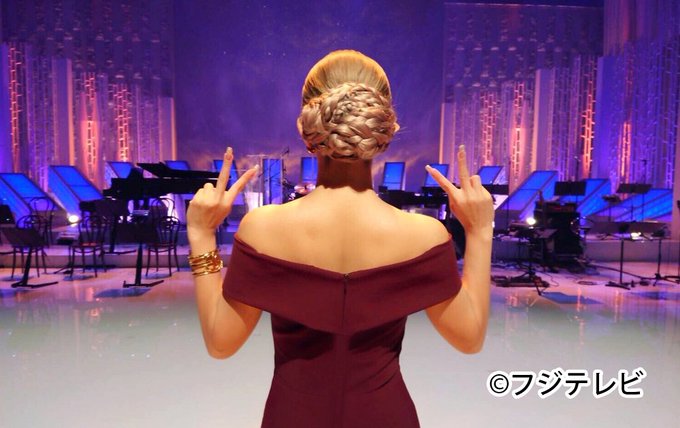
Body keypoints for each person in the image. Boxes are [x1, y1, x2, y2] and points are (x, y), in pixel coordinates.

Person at [186, 49, 493, 428]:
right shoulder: (425, 235)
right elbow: (469, 338)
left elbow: (221, 343)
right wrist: (480, 230)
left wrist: (201, 233)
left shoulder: (261, 229)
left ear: (305, 128)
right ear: (384, 127)